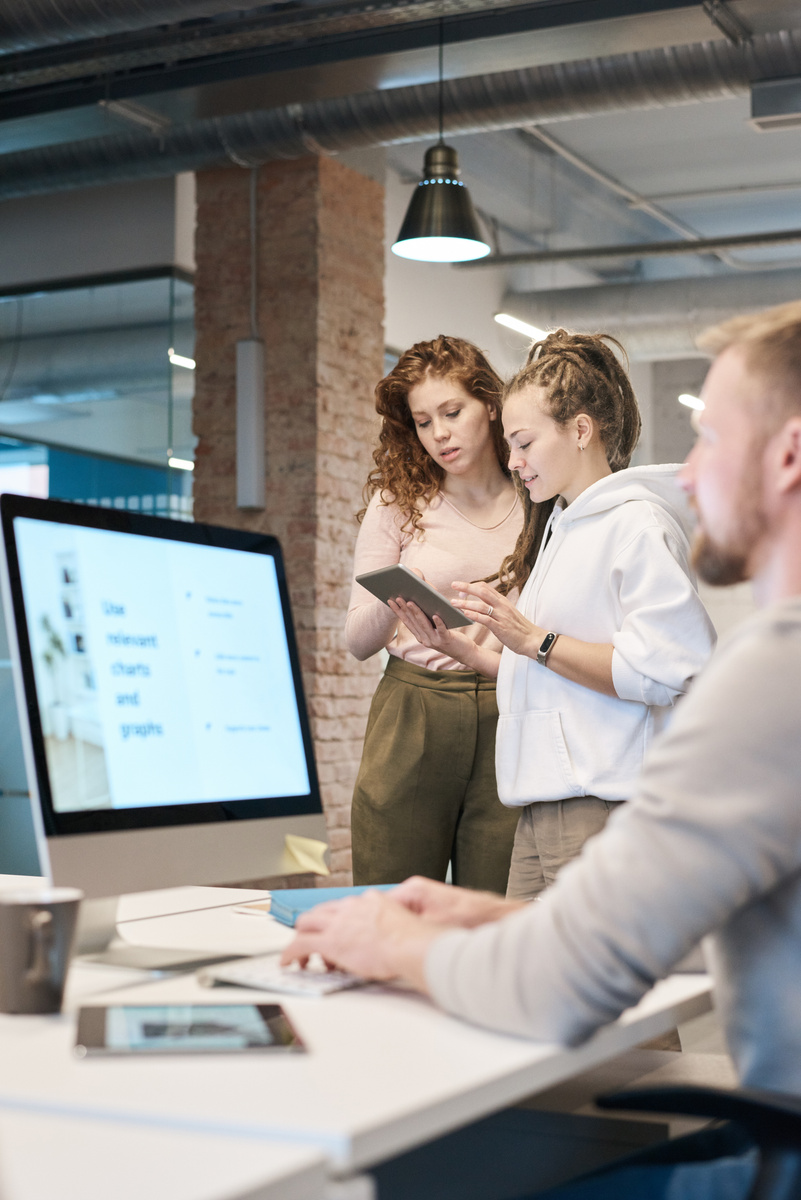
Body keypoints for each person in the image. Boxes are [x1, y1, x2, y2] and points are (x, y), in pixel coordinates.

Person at [283, 299, 801, 1197]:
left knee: (382, 1172)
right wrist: (499, 920)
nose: (685, 472)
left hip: (767, 1164)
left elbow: (559, 988)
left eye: (708, 437)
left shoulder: (772, 673)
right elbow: (709, 937)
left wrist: (386, 940)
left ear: (786, 457)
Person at [394, 330, 716, 899]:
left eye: (522, 443)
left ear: (581, 430)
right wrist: (468, 652)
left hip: (601, 808)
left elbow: (669, 669)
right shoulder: (562, 529)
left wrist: (534, 639)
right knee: (524, 980)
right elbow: (554, 674)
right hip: (541, 810)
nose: (513, 463)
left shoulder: (635, 525)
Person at [346, 336, 524, 892]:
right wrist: (395, 598)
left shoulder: (538, 499)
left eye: (452, 412)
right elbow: (356, 642)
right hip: (413, 706)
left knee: (495, 911)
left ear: (490, 406)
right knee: (390, 899)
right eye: (423, 422)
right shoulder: (399, 501)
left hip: (509, 707)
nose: (439, 434)